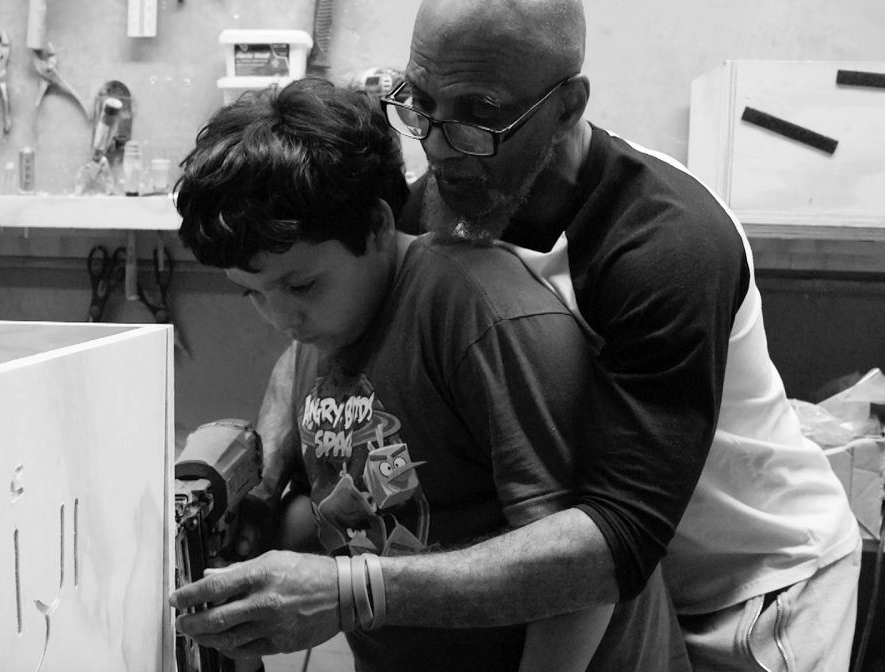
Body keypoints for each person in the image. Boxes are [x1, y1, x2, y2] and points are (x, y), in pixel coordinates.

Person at [173, 1, 863, 671]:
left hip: (744, 585)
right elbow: (321, 323)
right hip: (597, 587)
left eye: (479, 116)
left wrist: (353, 591)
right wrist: (265, 477)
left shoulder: (667, 249)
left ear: (568, 105)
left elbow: (614, 539)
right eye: (422, 103)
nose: (438, 145)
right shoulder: (438, 199)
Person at [171, 77, 689, 671]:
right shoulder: (331, 325)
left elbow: (577, 577)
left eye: (300, 285)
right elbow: (373, 510)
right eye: (251, 295)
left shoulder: (480, 316)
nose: (281, 318)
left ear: (375, 225)